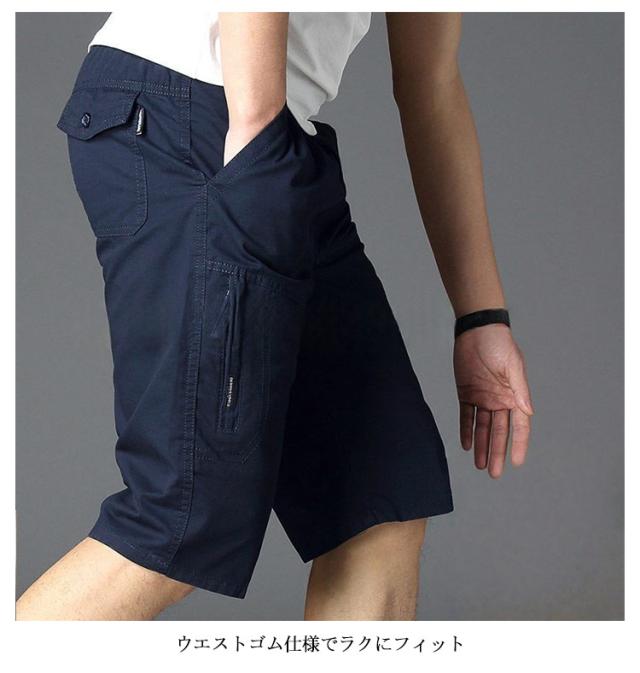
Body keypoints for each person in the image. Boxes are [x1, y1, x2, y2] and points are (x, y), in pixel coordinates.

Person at [17, 11, 533, 621]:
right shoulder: (245, 122)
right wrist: (255, 133)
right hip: (198, 112)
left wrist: (481, 317)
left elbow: (432, 83)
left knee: (379, 496)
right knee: (182, 517)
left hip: (267, 130)